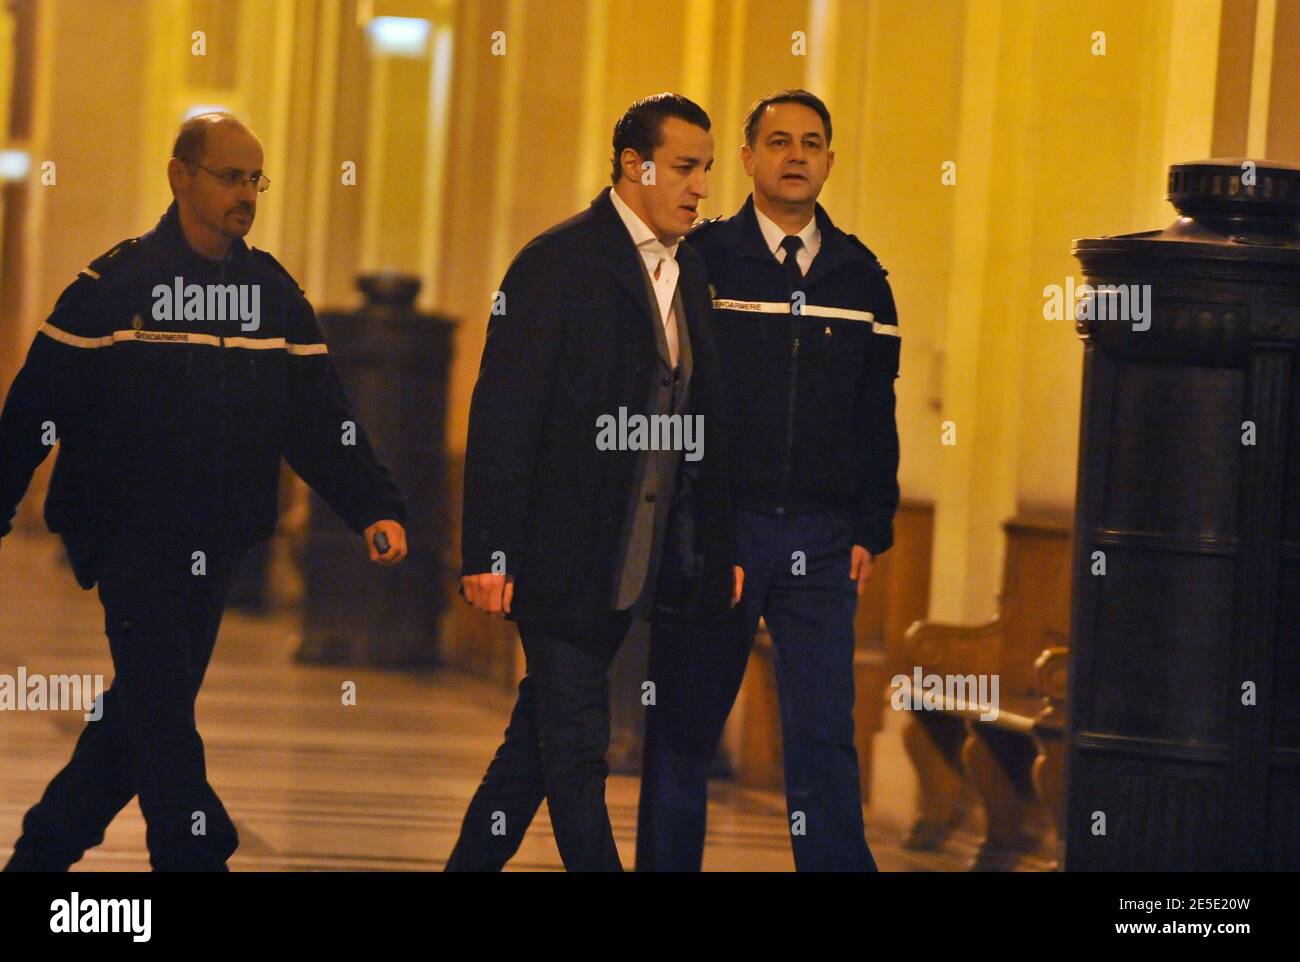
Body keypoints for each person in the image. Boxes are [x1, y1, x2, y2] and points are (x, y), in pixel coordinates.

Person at [0, 112, 408, 871]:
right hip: (128, 540)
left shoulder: (272, 296)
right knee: (160, 718)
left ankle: (40, 854)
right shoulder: (114, 286)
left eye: (256, 178)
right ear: (180, 175)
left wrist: (374, 505)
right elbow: (37, 405)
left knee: (143, 717)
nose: (247, 193)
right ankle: (198, 854)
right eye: (231, 176)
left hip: (219, 547)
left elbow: (321, 420)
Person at [447, 93, 741, 872]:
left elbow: (702, 424)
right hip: (559, 556)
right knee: (580, 747)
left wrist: (716, 546)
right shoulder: (558, 263)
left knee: (533, 750)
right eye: (684, 167)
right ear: (632, 166)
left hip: (634, 564)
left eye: (705, 169)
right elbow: (504, 416)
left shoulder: (692, 271)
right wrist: (488, 550)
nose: (700, 187)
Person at [636, 89, 902, 872]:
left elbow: (874, 415)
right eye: (778, 141)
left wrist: (869, 528)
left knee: (823, 733)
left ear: (829, 160)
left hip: (821, 543)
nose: (796, 155)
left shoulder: (862, 279)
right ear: (747, 159)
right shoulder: (703, 263)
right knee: (686, 727)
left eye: (811, 143)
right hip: (719, 528)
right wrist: (686, 522)